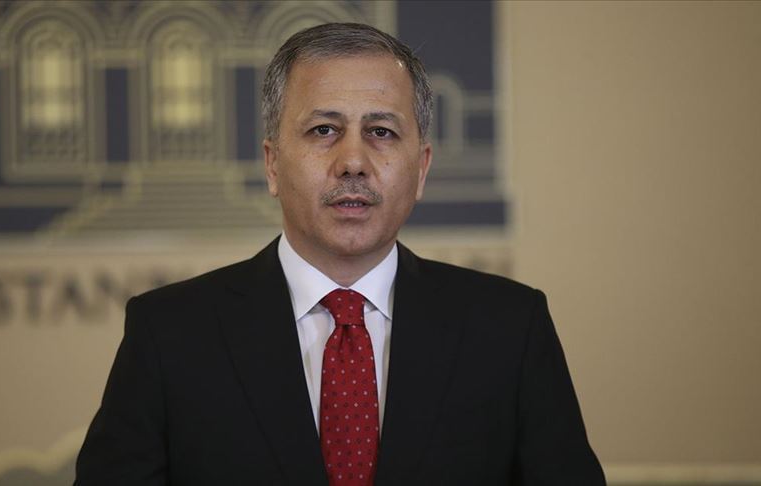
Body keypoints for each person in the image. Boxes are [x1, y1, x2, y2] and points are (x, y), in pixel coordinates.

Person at [75, 22, 605, 486]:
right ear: (272, 165)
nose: (353, 161)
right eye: (323, 130)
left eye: (381, 131)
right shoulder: (168, 333)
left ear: (421, 169)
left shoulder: (511, 328)